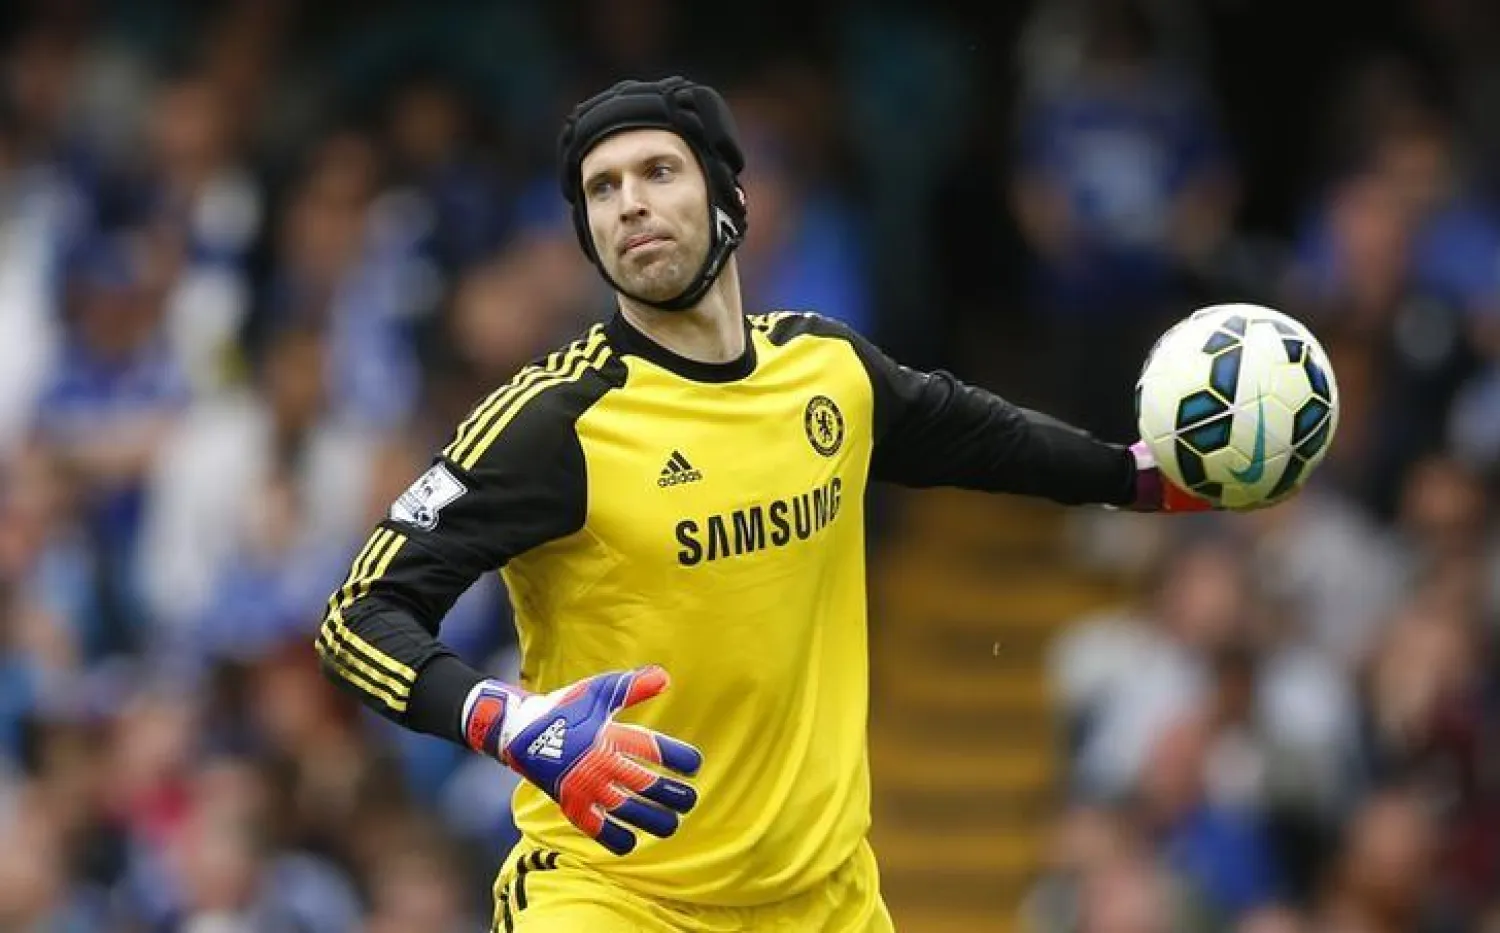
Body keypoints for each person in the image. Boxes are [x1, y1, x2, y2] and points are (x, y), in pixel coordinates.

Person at [313, 76, 1209, 932]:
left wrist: (1136, 477)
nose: (630, 203)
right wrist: (509, 720)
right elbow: (359, 615)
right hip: (613, 895)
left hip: (824, 900)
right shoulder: (553, 422)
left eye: (658, 172)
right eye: (602, 189)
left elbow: (983, 436)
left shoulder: (827, 371)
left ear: (730, 199)